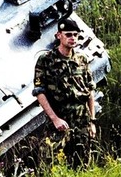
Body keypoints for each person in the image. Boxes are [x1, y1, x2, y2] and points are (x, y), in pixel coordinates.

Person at [32, 16, 98, 168]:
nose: (73, 38)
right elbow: (39, 92)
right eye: (68, 34)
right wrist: (55, 119)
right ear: (58, 35)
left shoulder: (82, 59)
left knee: (82, 164)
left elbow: (90, 91)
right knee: (49, 163)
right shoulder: (46, 60)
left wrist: (92, 121)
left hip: (82, 118)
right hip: (60, 117)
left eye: (75, 35)